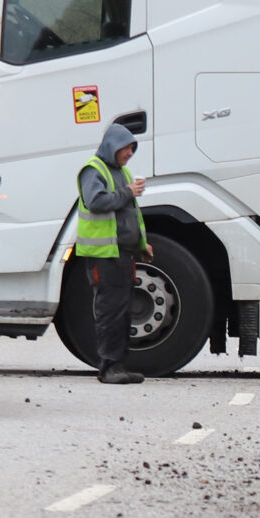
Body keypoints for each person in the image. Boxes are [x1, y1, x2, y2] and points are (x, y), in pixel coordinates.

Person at [75, 122, 151, 384]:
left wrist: (142, 244)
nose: (130, 154)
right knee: (110, 311)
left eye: (132, 149)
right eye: (127, 149)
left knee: (122, 312)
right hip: (104, 255)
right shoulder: (93, 170)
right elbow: (96, 202)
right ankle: (108, 368)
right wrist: (127, 192)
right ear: (113, 146)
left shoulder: (124, 173)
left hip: (122, 253)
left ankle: (118, 365)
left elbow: (130, 215)